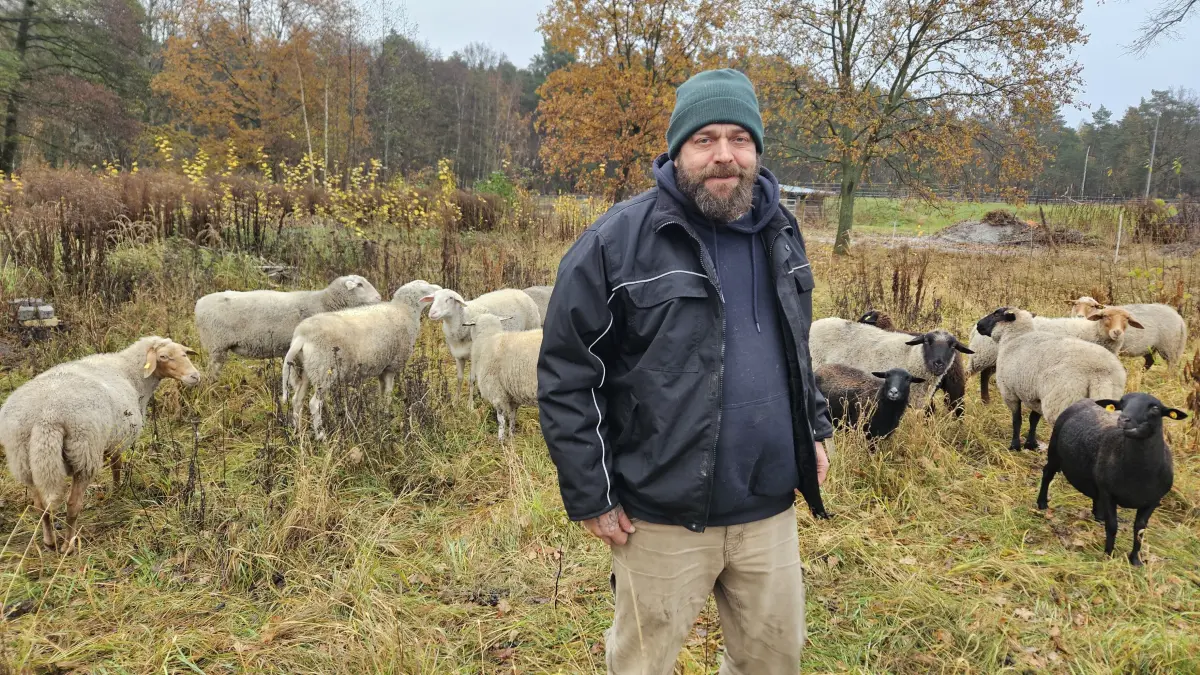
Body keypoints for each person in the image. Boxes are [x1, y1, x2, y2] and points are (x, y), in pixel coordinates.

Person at [537, 68, 832, 674]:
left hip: (768, 507)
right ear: (677, 149)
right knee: (642, 665)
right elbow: (568, 373)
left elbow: (793, 343)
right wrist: (592, 493)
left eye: (739, 139)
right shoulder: (616, 242)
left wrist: (814, 426)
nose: (724, 155)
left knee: (773, 661)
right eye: (705, 139)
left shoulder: (782, 229)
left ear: (756, 148)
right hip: (661, 517)